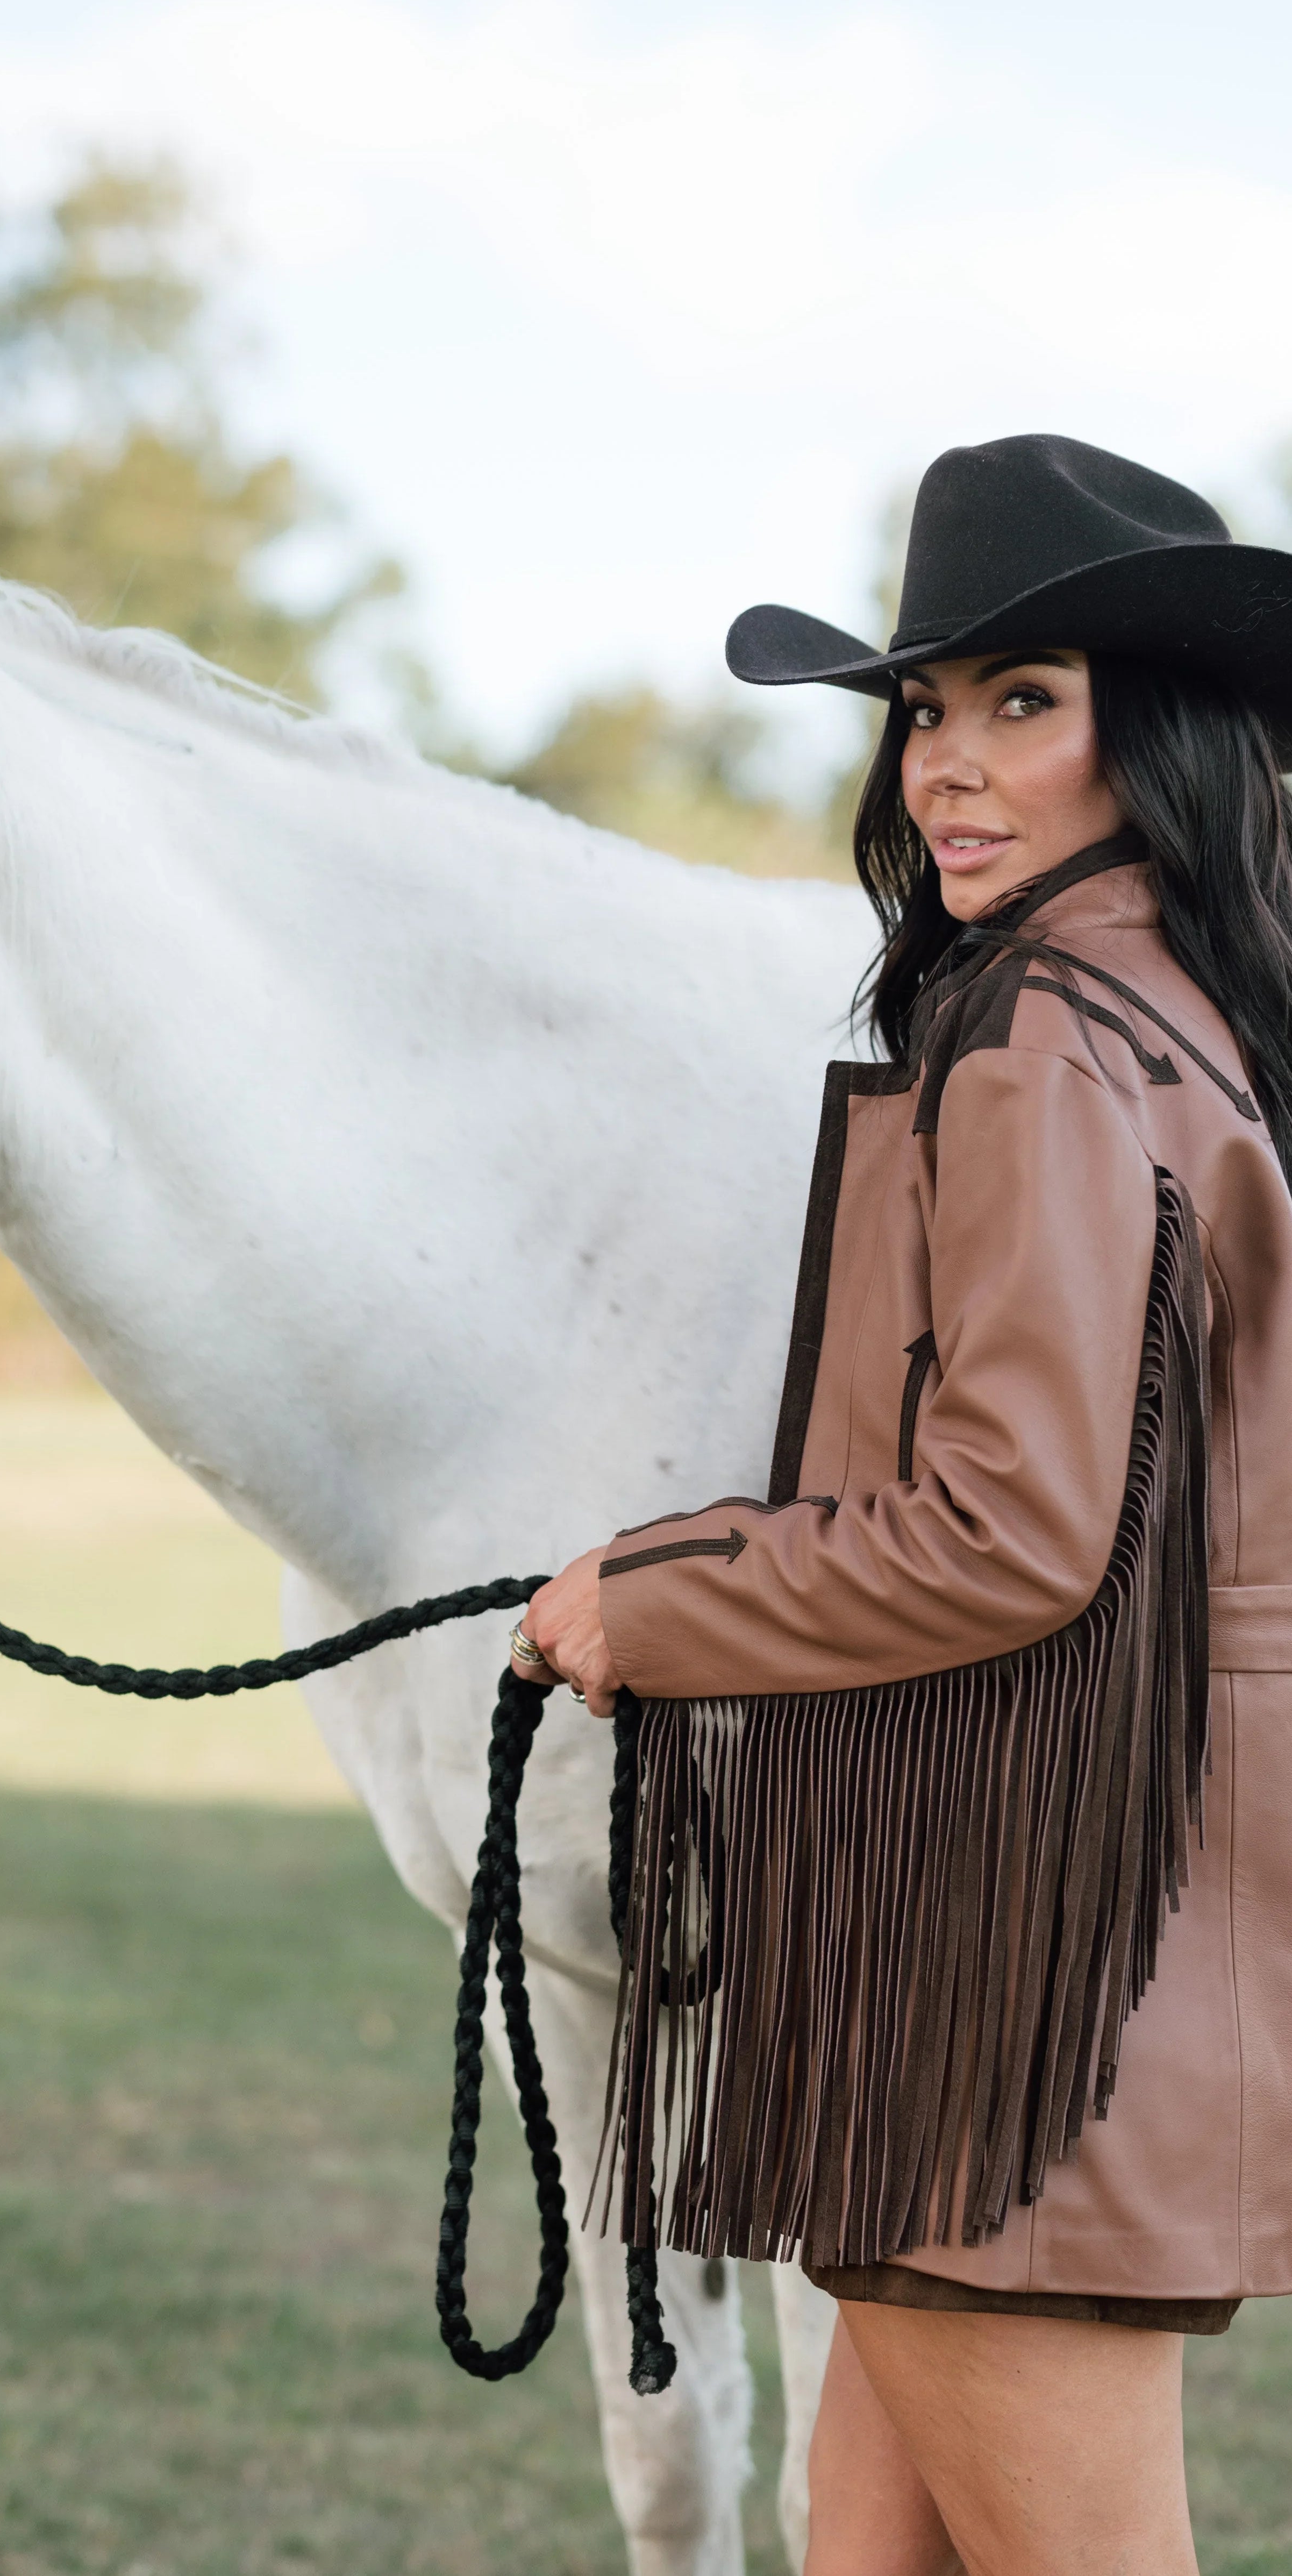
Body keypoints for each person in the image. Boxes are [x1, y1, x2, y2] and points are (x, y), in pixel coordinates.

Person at [511, 434, 1292, 2575]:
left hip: (1012, 1934)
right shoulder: (1180, 1014)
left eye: (1018, 703)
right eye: (923, 712)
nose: (946, 767)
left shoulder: (1045, 1039)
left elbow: (1014, 1529)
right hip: (1057, 1911)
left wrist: (647, 1597)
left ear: (1154, 726)